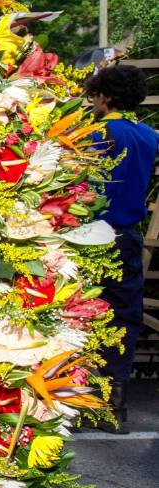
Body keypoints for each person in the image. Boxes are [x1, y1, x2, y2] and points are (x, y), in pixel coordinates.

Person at [85, 64, 158, 432]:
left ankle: (80, 398)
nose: (92, 101)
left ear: (106, 96)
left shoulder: (97, 133)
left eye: (95, 94)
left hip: (91, 234)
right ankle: (116, 405)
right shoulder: (149, 136)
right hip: (128, 235)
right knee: (124, 316)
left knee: (79, 311)